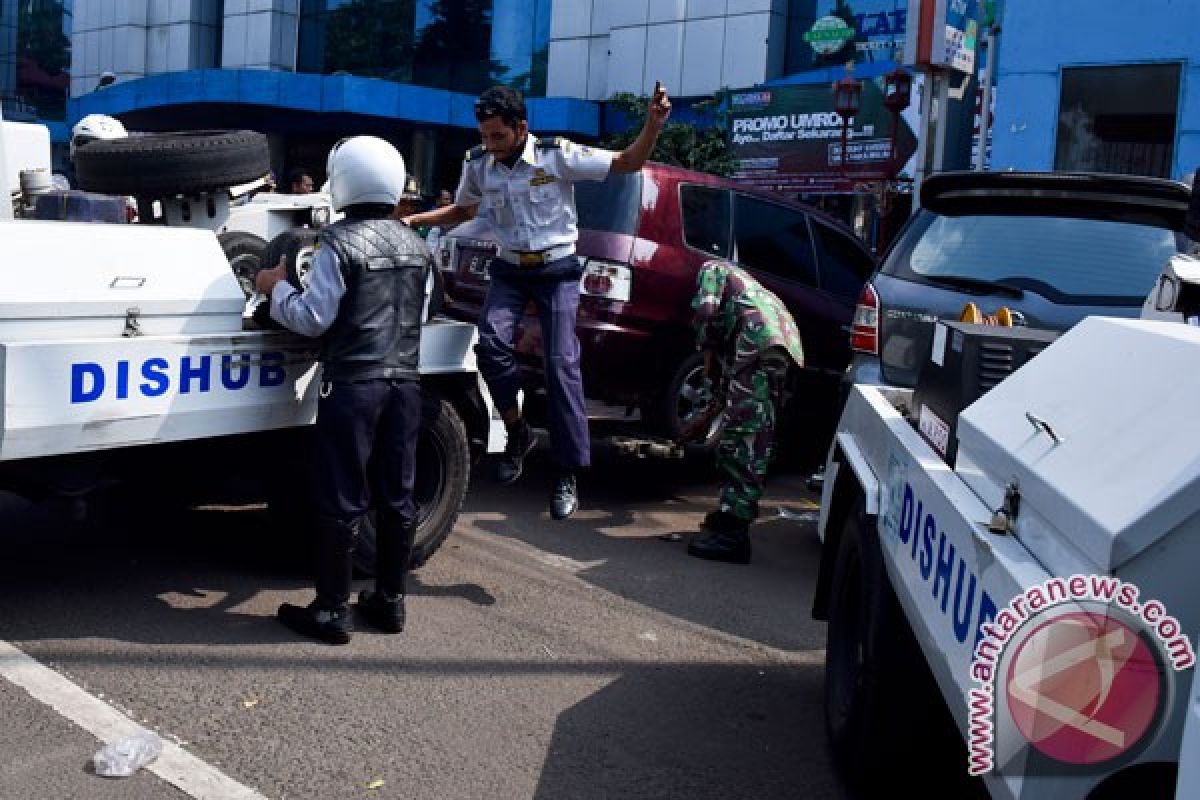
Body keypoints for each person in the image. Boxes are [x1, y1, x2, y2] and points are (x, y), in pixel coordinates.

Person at [398, 83, 671, 520]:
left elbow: (627, 162)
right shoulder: (479, 164)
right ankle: (518, 431)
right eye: (485, 136)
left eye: (498, 137)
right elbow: (462, 212)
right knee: (489, 347)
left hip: (557, 269)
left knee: (561, 364)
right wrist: (412, 219)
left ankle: (567, 472)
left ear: (521, 128)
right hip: (508, 268)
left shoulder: (555, 154)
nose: (490, 145)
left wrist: (652, 125)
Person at [254, 136, 433, 644]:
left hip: (354, 385)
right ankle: (391, 602)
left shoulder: (338, 243)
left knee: (342, 496)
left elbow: (313, 319)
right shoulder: (418, 246)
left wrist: (275, 288)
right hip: (406, 384)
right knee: (397, 496)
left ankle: (332, 610)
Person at [677, 260, 805, 565]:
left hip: (759, 342)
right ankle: (729, 515)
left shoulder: (711, 268)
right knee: (752, 431)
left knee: (744, 442)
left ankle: (733, 535)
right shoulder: (744, 290)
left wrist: (705, 346)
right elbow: (725, 393)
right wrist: (703, 420)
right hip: (779, 345)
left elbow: (706, 312)